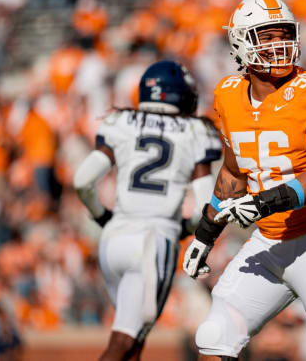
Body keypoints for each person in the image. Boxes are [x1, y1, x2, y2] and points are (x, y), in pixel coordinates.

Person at [182, 0, 306, 361]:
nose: (278, 43)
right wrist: (205, 234)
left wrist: (264, 202)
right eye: (265, 36)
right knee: (214, 335)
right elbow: (236, 172)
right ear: (240, 41)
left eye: (282, 33)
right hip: (270, 238)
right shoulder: (229, 95)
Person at [74, 60, 222, 361]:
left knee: (133, 341)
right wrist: (189, 227)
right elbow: (206, 203)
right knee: (124, 342)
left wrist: (101, 215)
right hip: (153, 239)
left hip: (113, 238)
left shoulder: (122, 122)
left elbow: (82, 180)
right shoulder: (195, 130)